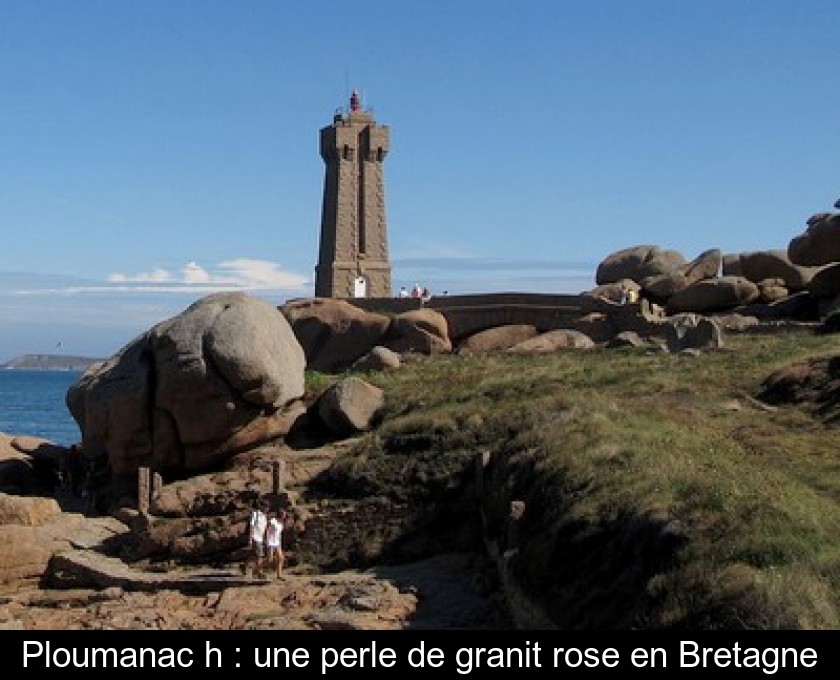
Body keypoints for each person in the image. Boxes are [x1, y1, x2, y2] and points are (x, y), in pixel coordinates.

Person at [245, 501, 269, 578]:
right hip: (255, 537)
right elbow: (251, 526)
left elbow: (264, 529)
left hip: (261, 538)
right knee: (260, 556)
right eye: (265, 507)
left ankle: (246, 566)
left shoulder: (264, 516)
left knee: (255, 556)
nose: (267, 509)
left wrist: (265, 539)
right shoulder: (255, 514)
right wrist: (250, 538)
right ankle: (260, 572)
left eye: (268, 507)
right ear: (262, 506)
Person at [265, 510, 285, 577]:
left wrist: (280, 544)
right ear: (280, 515)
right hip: (270, 542)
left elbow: (279, 535)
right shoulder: (273, 521)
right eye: (283, 514)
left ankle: (279, 575)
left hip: (277, 543)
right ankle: (256, 568)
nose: (284, 516)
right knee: (269, 560)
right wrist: (266, 539)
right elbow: (267, 529)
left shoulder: (281, 524)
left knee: (280, 558)